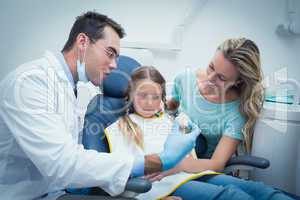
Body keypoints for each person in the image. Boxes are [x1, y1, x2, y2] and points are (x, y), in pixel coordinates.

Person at [0, 11, 200, 200]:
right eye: (110, 53)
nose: (114, 65)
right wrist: (158, 161)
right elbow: (62, 165)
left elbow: (78, 160)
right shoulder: (30, 82)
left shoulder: (71, 88)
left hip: (52, 192)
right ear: (82, 42)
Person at [159, 38, 293, 200]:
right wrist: (155, 105)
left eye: (221, 78)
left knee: (260, 191)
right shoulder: (185, 79)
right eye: (211, 67)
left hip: (203, 168)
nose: (210, 78)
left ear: (238, 81)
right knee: (234, 196)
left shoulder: (237, 111)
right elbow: (172, 105)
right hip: (174, 165)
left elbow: (217, 163)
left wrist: (178, 165)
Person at [101, 66, 220, 199]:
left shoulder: (169, 121)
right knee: (231, 195)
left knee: (241, 187)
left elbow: (189, 159)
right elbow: (121, 175)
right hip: (161, 187)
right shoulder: (121, 128)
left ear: (162, 98)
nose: (149, 102)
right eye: (142, 95)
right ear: (131, 94)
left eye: (156, 97)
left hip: (189, 175)